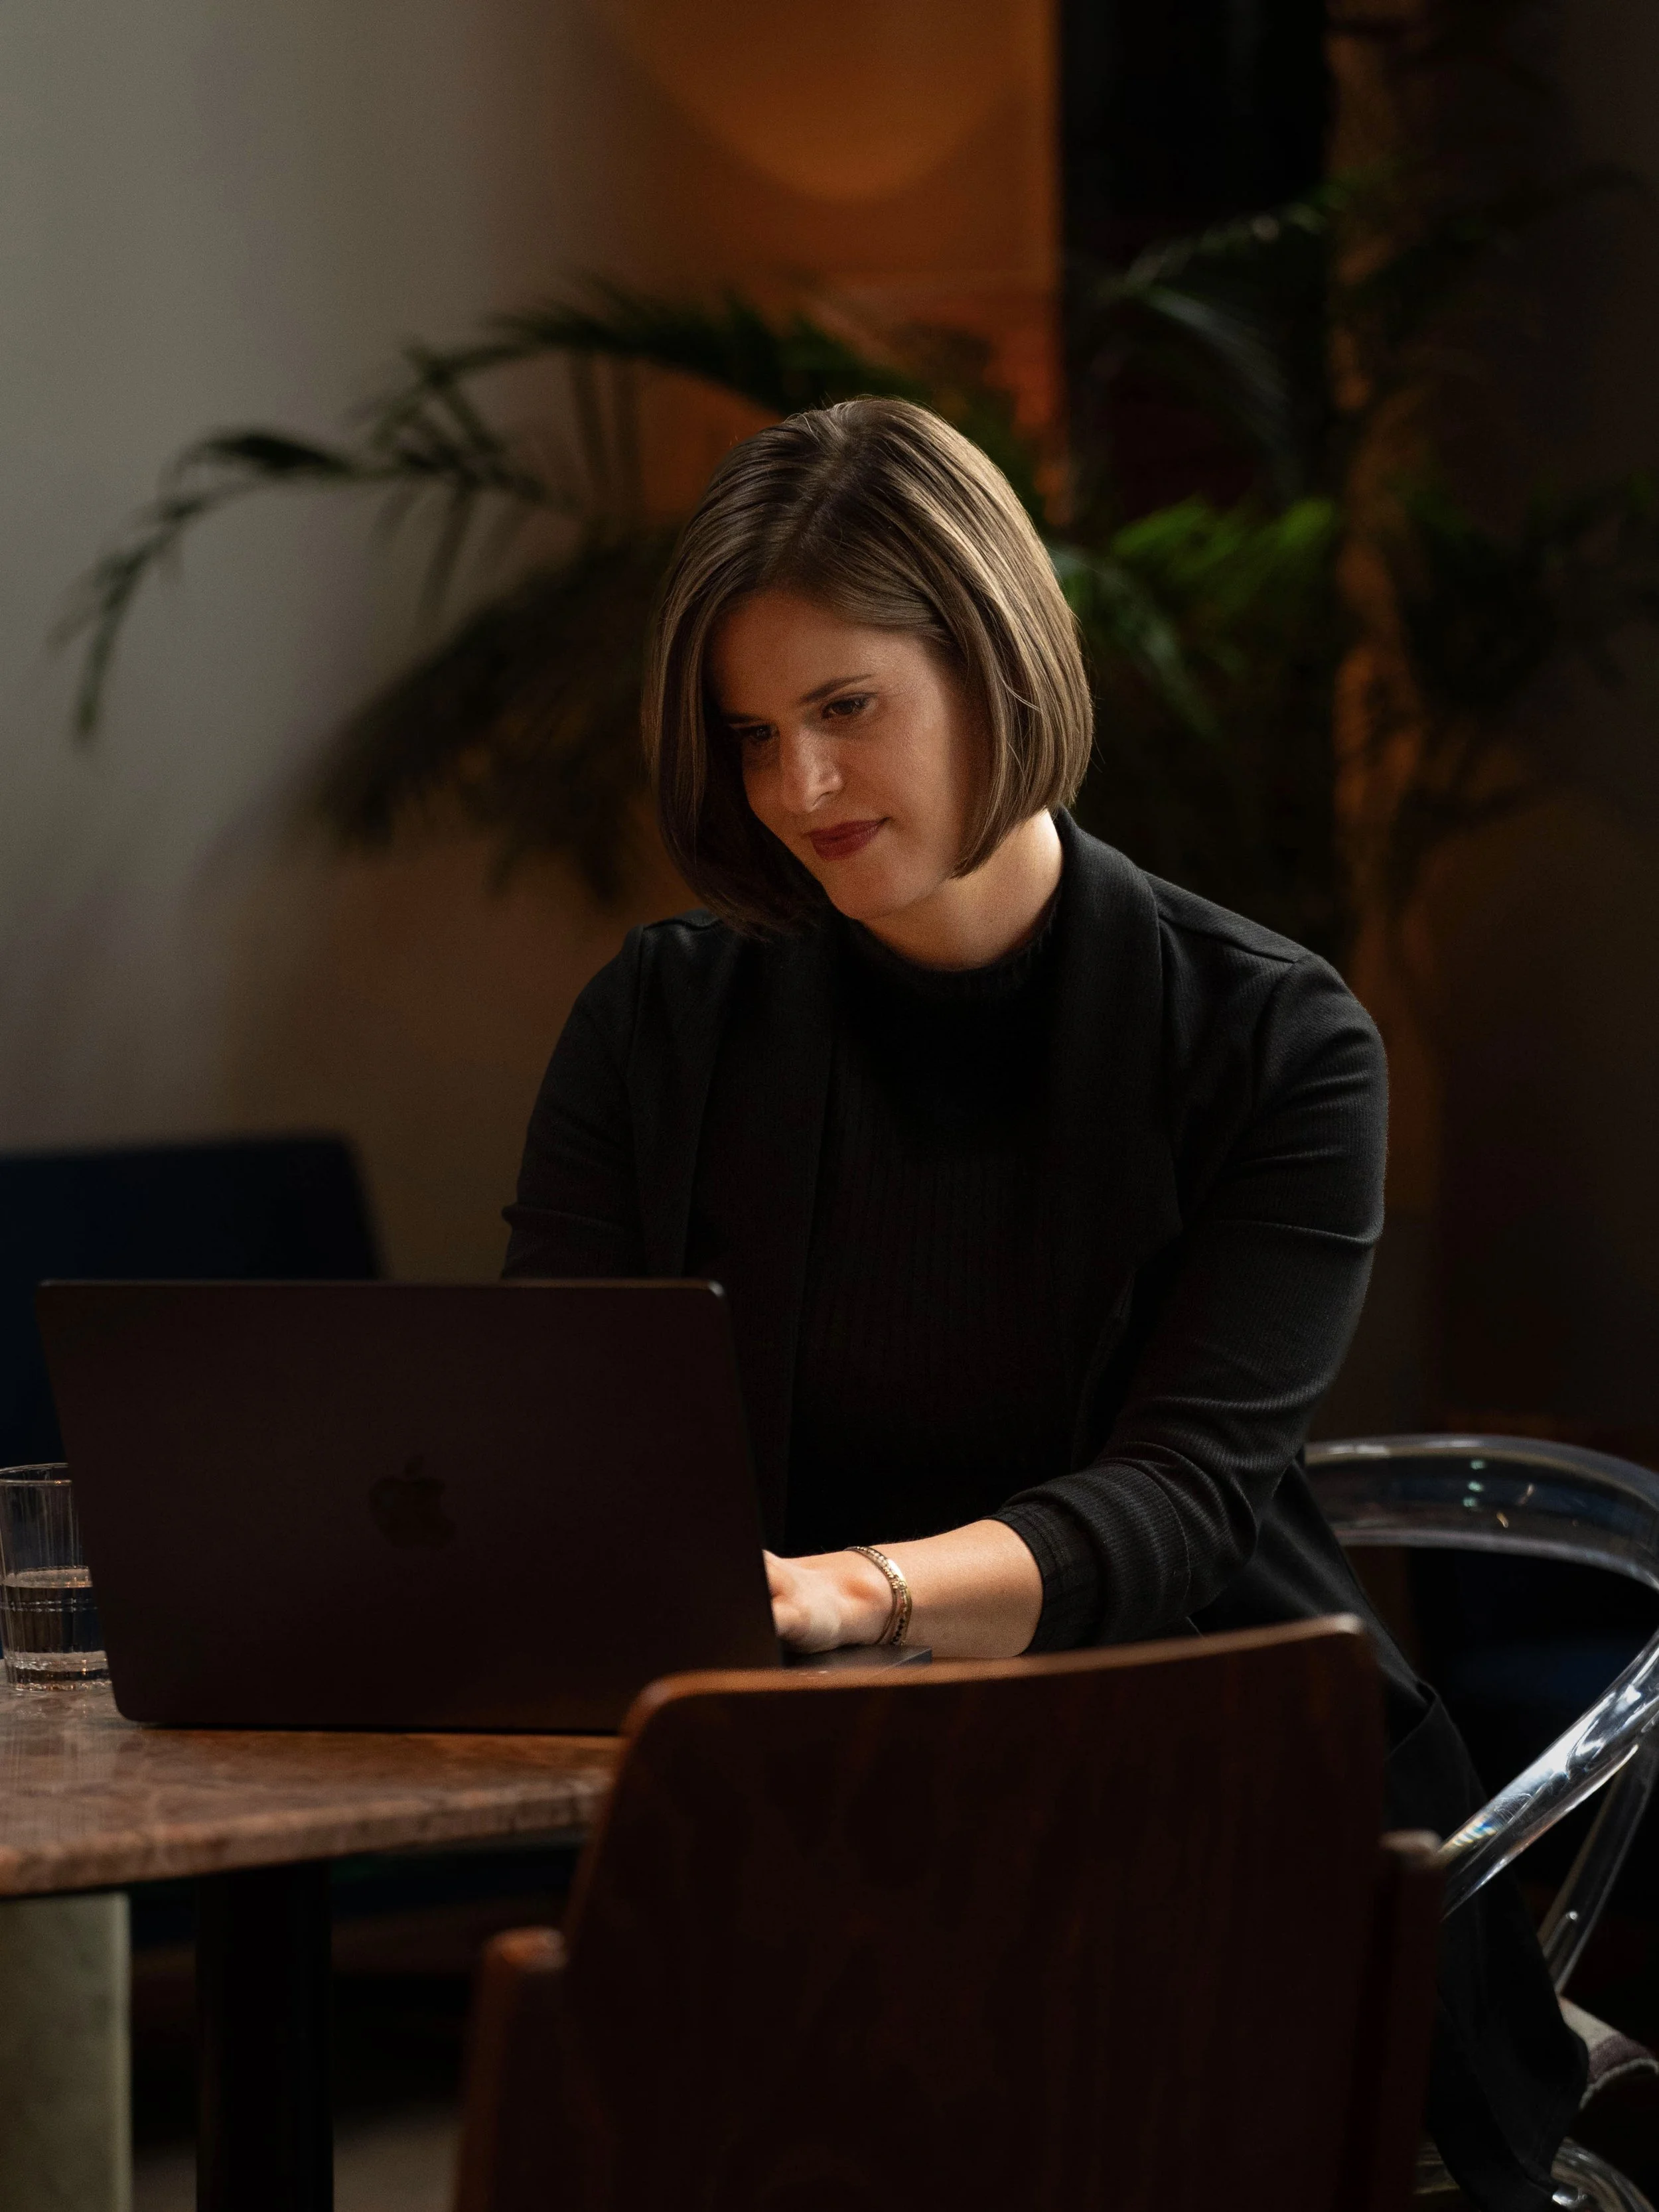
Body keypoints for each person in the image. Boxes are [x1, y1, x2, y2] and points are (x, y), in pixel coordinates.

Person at [504, 397, 1585, 2207]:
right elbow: (554, 1414)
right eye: (751, 737)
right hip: (805, 1781)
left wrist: (858, 1593)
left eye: (846, 709)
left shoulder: (1275, 1037)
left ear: (994, 656)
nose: (800, 792)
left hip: (1208, 1778)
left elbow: (1179, 1507)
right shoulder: (658, 1024)